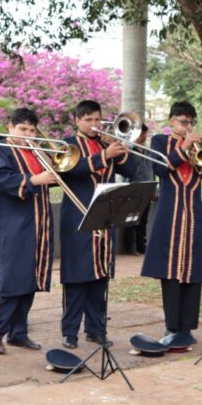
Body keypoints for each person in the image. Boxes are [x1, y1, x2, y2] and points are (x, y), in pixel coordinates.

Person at [59, 100, 135, 349]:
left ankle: (96, 329)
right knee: (76, 277)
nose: (94, 125)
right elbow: (74, 170)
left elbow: (132, 170)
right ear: (77, 121)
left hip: (104, 217)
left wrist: (120, 150)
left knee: (99, 277)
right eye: (89, 120)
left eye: (97, 120)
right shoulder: (68, 144)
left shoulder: (106, 142)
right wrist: (104, 155)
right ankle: (70, 332)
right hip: (77, 218)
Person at [140, 102, 202, 343]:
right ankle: (172, 326)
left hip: (193, 214)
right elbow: (160, 169)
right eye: (183, 122)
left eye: (191, 122)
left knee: (192, 271)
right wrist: (183, 147)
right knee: (170, 270)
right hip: (169, 214)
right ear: (172, 121)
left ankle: (187, 328)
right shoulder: (160, 143)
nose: (187, 126)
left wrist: (197, 154)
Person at [0, 108, 54, 353]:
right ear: (10, 128)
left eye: (32, 130)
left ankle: (18, 332)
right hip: (11, 226)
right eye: (23, 129)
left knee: (29, 279)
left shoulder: (35, 151)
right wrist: (36, 180)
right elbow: (2, 179)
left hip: (37, 224)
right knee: (10, 279)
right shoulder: (0, 150)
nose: (28, 135)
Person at [123, 124, 153, 256]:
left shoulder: (147, 151)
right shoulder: (129, 150)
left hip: (147, 190)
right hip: (133, 189)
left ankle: (142, 246)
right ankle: (130, 247)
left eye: (145, 134)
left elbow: (151, 171)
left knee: (143, 220)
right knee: (131, 220)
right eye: (142, 134)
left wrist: (153, 190)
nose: (144, 136)